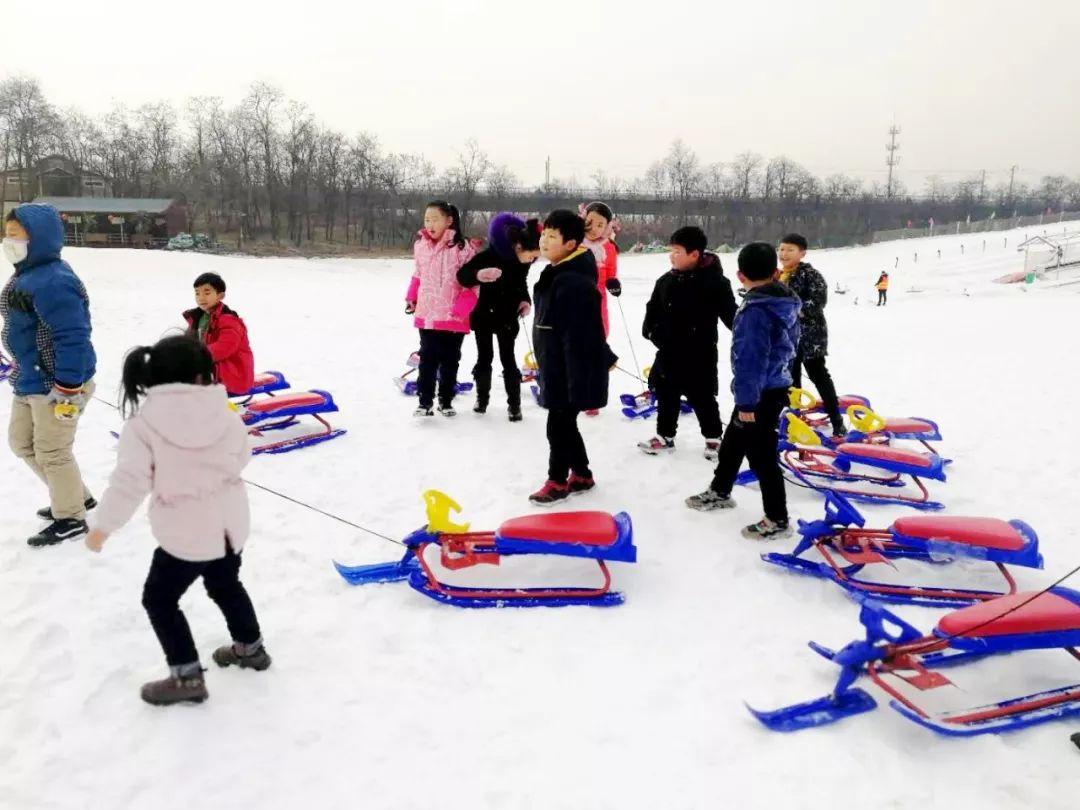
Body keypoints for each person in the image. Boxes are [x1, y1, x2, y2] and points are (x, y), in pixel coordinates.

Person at [86, 336, 270, 706]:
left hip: (186, 535)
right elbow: (242, 456)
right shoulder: (225, 413)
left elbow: (128, 484)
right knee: (225, 583)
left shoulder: (143, 427)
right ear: (202, 374)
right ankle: (250, 648)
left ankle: (186, 677)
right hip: (230, 526)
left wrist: (103, 526)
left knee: (159, 599)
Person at [685, 241, 800, 540]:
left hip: (759, 393)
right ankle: (721, 490)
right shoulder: (785, 301)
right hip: (769, 387)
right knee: (734, 442)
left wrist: (748, 403)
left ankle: (777, 518)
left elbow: (751, 359)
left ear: (740, 276)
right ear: (775, 273)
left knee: (761, 455)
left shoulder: (756, 312)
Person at [2, 203, 97, 547]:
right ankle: (76, 495)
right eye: (7, 234)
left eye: (15, 235)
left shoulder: (55, 280)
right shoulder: (28, 273)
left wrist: (68, 385)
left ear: (38, 239)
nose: (7, 241)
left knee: (52, 450)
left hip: (57, 384)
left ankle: (70, 517)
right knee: (21, 443)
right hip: (29, 377)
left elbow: (73, 336)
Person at [529, 210, 616, 505]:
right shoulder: (559, 272)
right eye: (544, 234)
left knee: (558, 426)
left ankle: (556, 481)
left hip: (568, 370)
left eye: (552, 237)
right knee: (566, 425)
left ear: (570, 244)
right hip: (556, 363)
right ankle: (581, 474)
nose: (544, 241)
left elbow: (581, 335)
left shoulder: (571, 282)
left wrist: (577, 379)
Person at [639, 226, 737, 461]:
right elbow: (652, 310)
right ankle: (665, 436)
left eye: (677, 251)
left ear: (694, 254)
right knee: (666, 394)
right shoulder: (665, 281)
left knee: (702, 396)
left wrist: (750, 330)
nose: (671, 256)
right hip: (669, 352)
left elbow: (731, 316)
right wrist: (652, 332)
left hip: (700, 352)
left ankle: (714, 438)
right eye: (670, 251)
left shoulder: (715, 283)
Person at [457, 213, 540, 421]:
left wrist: (525, 300)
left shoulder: (522, 264)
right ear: (518, 247)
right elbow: (463, 276)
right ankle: (482, 398)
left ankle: (514, 404)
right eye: (531, 256)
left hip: (507, 317)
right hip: (483, 314)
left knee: (508, 360)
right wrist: (478, 276)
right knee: (484, 358)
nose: (532, 261)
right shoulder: (487, 257)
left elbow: (521, 284)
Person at [405, 201, 478, 417]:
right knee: (427, 358)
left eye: (435, 219)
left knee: (450, 360)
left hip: (453, 315)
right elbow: (418, 274)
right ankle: (424, 401)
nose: (430, 224)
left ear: (449, 220)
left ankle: (446, 401)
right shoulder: (421, 246)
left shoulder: (463, 248)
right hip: (427, 313)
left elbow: (472, 282)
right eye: (427, 219)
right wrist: (411, 296)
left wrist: (463, 307)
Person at [778, 233, 845, 437]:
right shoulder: (779, 275)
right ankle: (793, 419)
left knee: (819, 375)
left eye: (790, 249)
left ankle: (837, 421)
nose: (784, 253)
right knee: (791, 380)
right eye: (781, 249)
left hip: (810, 337)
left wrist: (792, 309)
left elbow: (818, 302)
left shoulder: (810, 274)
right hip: (788, 337)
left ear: (802, 253)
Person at [182, 272, 255, 396]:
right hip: (212, 366)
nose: (201, 297)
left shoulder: (229, 320)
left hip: (233, 372)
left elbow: (225, 347)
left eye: (207, 292)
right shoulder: (198, 317)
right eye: (197, 293)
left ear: (220, 295)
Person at [581, 201, 621, 417]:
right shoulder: (575, 243)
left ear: (607, 226)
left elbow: (611, 272)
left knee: (596, 344)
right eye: (590, 222)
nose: (594, 228)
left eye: (600, 224)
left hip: (597, 302)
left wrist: (613, 282)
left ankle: (593, 396)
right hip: (574, 301)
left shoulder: (608, 247)